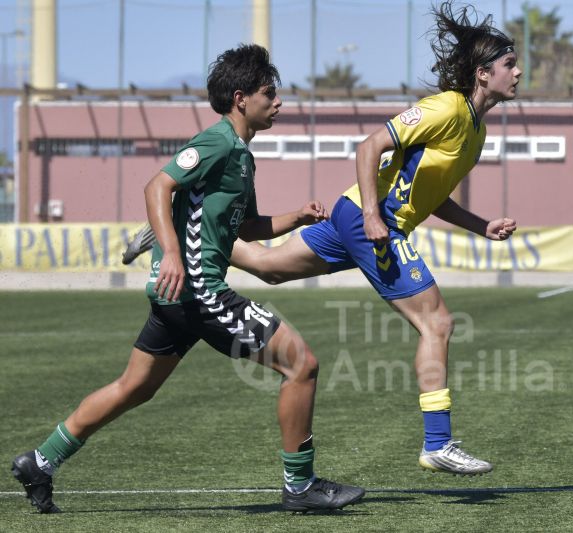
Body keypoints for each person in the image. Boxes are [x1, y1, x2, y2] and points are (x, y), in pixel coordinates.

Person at [122, 1, 520, 476]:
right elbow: (370, 146)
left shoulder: (475, 129)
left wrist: (482, 226)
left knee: (268, 268)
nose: (517, 72)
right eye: (509, 64)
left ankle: (181, 215)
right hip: (371, 221)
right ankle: (438, 442)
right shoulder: (448, 108)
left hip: (362, 218)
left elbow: (431, 194)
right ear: (481, 74)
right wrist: (374, 216)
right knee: (437, 323)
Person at [11, 44, 364, 514]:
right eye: (269, 93)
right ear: (241, 98)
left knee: (133, 387)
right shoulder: (217, 142)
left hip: (179, 296)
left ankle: (41, 461)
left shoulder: (240, 157)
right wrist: (173, 255)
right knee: (301, 365)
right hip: (197, 289)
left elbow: (246, 228)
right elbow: (157, 185)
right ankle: (300, 487)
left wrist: (296, 216)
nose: (278, 102)